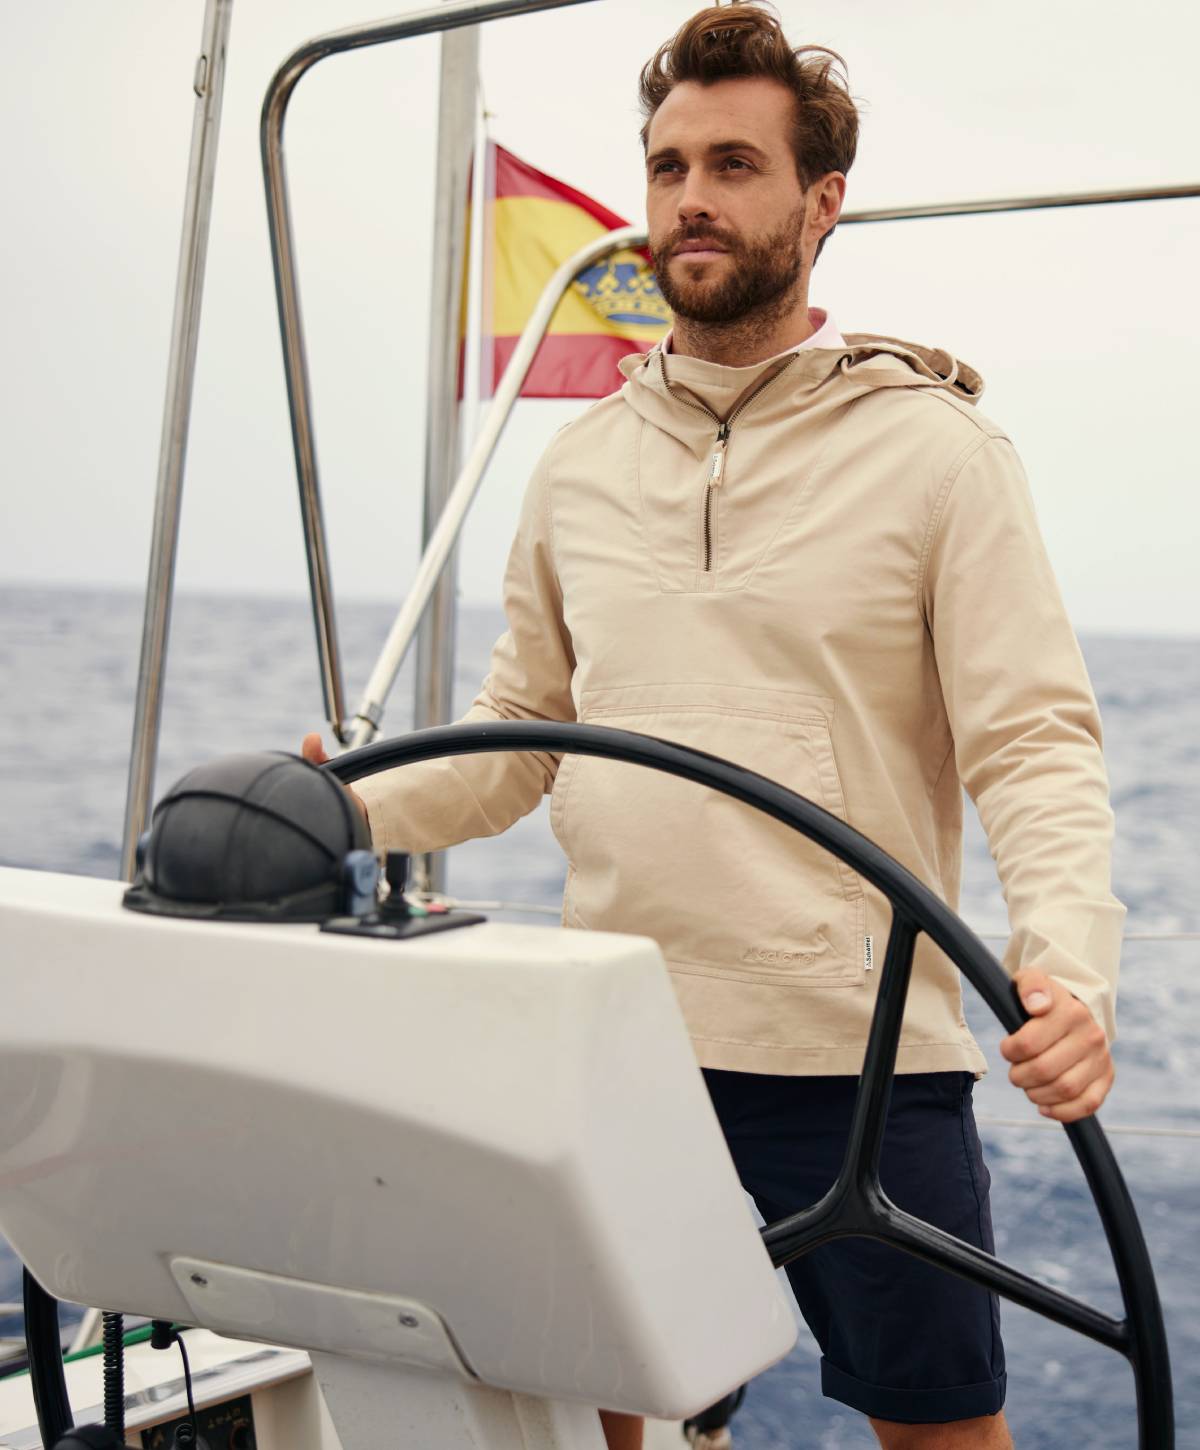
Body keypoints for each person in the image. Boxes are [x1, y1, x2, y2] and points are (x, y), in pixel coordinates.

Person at [304, 5, 1123, 1446]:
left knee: (940, 1425)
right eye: (668, 164)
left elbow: (1033, 741)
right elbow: (517, 738)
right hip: (623, 1037)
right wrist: (341, 807)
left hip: (862, 1063)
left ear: (819, 204)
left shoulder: (943, 453)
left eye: (734, 163)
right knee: (641, 1416)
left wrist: (1069, 973)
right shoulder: (580, 465)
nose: (691, 196)